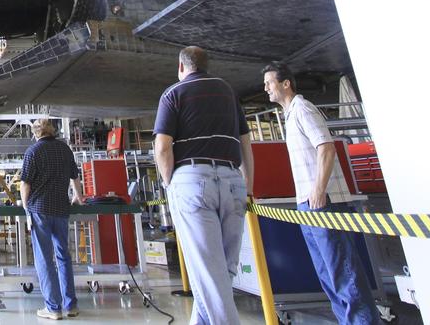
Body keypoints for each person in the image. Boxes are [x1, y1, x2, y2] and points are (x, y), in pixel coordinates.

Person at [263, 62, 380, 325]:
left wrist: (318, 190)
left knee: (343, 274)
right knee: (328, 275)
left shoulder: (303, 109)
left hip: (323, 203)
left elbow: (326, 147)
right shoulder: (290, 115)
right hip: (308, 204)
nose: (266, 88)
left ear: (286, 83)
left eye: (270, 82)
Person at [153, 46, 254, 325]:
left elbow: (162, 147)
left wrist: (169, 183)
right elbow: (246, 142)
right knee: (223, 270)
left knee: (210, 274)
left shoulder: (173, 93)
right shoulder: (228, 92)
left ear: (181, 67)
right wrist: (249, 187)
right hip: (233, 180)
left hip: (192, 180)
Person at [19, 118, 82, 321]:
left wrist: (26, 206)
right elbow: (75, 177)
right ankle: (70, 305)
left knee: (44, 259)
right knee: (63, 255)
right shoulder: (65, 150)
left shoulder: (33, 152)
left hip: (40, 210)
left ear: (36, 133)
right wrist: (77, 195)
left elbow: (25, 184)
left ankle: (53, 307)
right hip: (61, 209)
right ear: (52, 131)